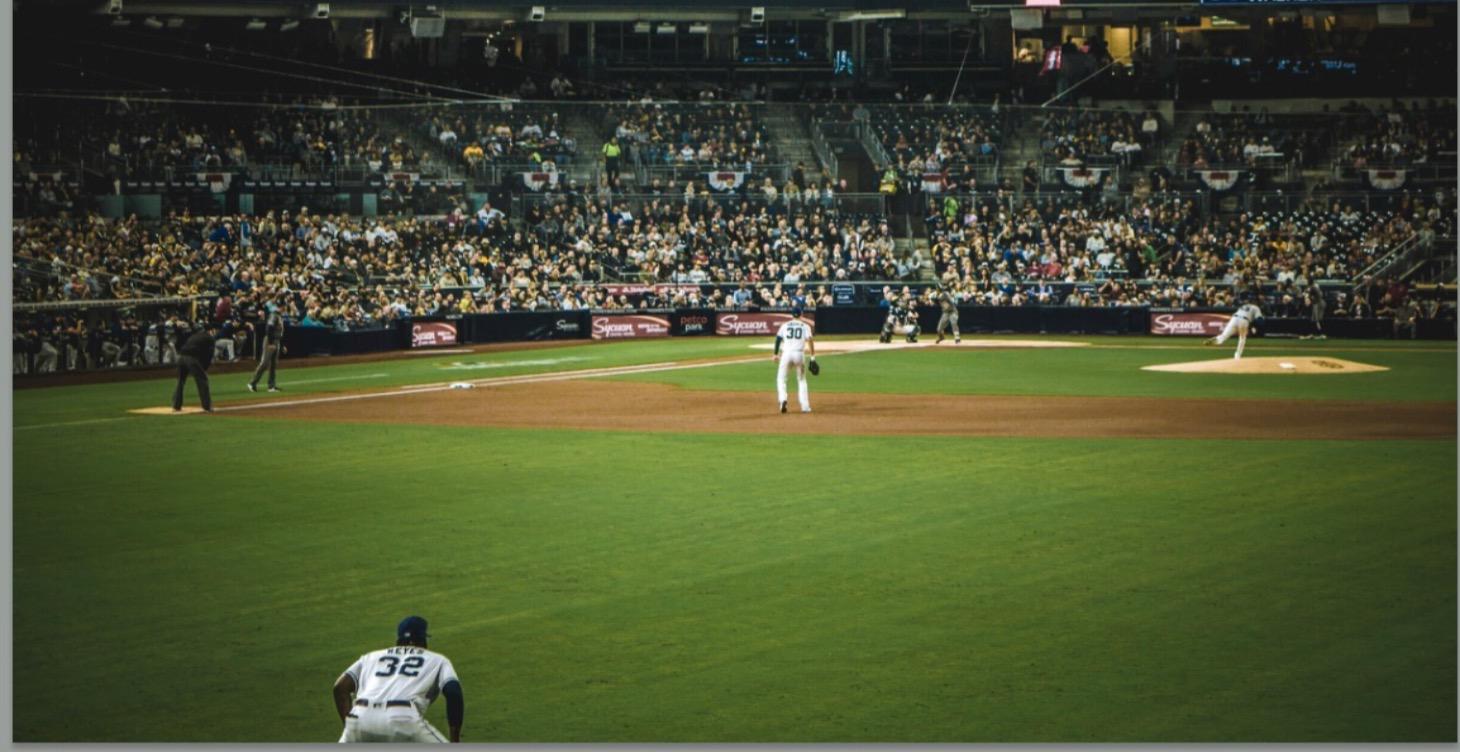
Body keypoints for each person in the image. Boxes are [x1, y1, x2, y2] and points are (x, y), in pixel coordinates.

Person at [333, 616, 464, 744]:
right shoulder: (437, 659)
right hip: (401, 719)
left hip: (359, 716)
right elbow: (453, 692)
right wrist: (455, 740)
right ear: (422, 639)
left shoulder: (371, 657)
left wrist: (355, 727)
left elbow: (340, 687)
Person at [773, 305, 816, 414]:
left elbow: (778, 339)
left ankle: (783, 400)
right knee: (801, 380)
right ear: (801, 314)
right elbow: (810, 341)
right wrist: (812, 357)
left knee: (781, 379)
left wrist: (775, 354)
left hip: (786, 355)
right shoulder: (805, 326)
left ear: (792, 315)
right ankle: (805, 407)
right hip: (799, 355)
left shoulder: (785, 325)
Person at [172, 321, 218, 412]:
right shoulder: (209, 338)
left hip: (181, 358)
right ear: (211, 331)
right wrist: (204, 369)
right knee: (202, 380)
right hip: (191, 358)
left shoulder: (194, 336)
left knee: (180, 381)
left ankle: (176, 405)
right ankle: (207, 406)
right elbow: (209, 355)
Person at [248, 304, 285, 393]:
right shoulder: (274, 315)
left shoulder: (279, 316)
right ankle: (252, 383)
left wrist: (282, 345)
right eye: (283, 307)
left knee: (273, 365)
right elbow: (269, 328)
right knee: (264, 363)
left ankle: (271, 386)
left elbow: (280, 332)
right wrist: (271, 343)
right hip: (270, 341)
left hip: (276, 341)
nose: (284, 308)